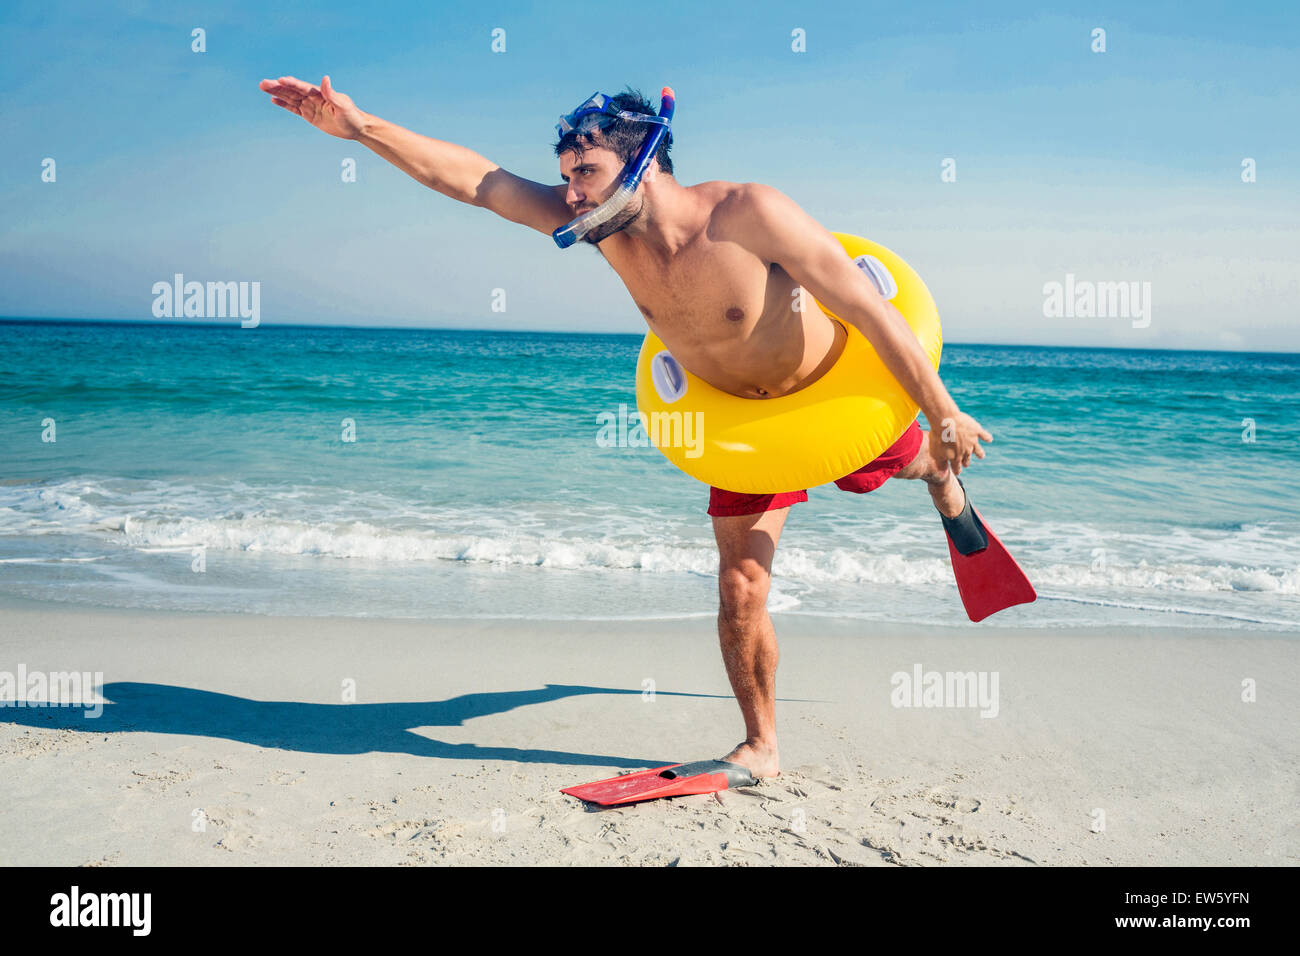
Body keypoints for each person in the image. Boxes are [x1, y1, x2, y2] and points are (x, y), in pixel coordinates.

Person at [258, 76, 993, 781]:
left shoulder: (748, 213)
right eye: (567, 174)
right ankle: (761, 744)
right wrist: (357, 127)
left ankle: (940, 480)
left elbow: (868, 308)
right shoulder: (604, 230)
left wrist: (944, 410)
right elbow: (475, 182)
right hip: (737, 428)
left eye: (586, 171)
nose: (571, 191)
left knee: (888, 469)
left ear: (643, 158)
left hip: (827, 395)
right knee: (740, 586)